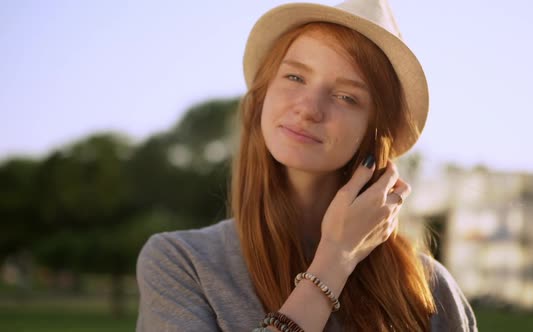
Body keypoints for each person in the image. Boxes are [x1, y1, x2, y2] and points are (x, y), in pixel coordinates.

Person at [136, 0, 478, 331]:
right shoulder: (182, 263)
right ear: (262, 94)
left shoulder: (430, 289)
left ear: (373, 135)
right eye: (295, 77)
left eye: (347, 97)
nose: (309, 108)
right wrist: (335, 260)